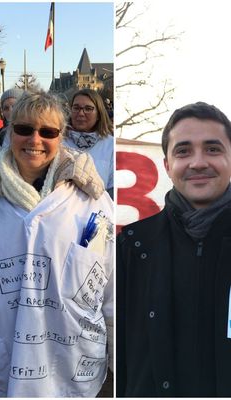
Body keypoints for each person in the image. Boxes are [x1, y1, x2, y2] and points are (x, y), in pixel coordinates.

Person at [0, 91, 114, 397]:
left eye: (47, 132)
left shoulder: (93, 200)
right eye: (24, 129)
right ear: (9, 131)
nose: (35, 140)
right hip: (1, 360)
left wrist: (119, 354)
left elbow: (111, 283)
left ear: (61, 136)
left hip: (72, 362)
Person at [117, 102, 231, 397]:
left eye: (213, 149)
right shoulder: (132, 244)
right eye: (183, 151)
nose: (198, 162)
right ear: (167, 165)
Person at [64, 89, 114, 197]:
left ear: (99, 113)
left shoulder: (110, 145)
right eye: (76, 108)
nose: (81, 113)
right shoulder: (59, 141)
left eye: (88, 109)